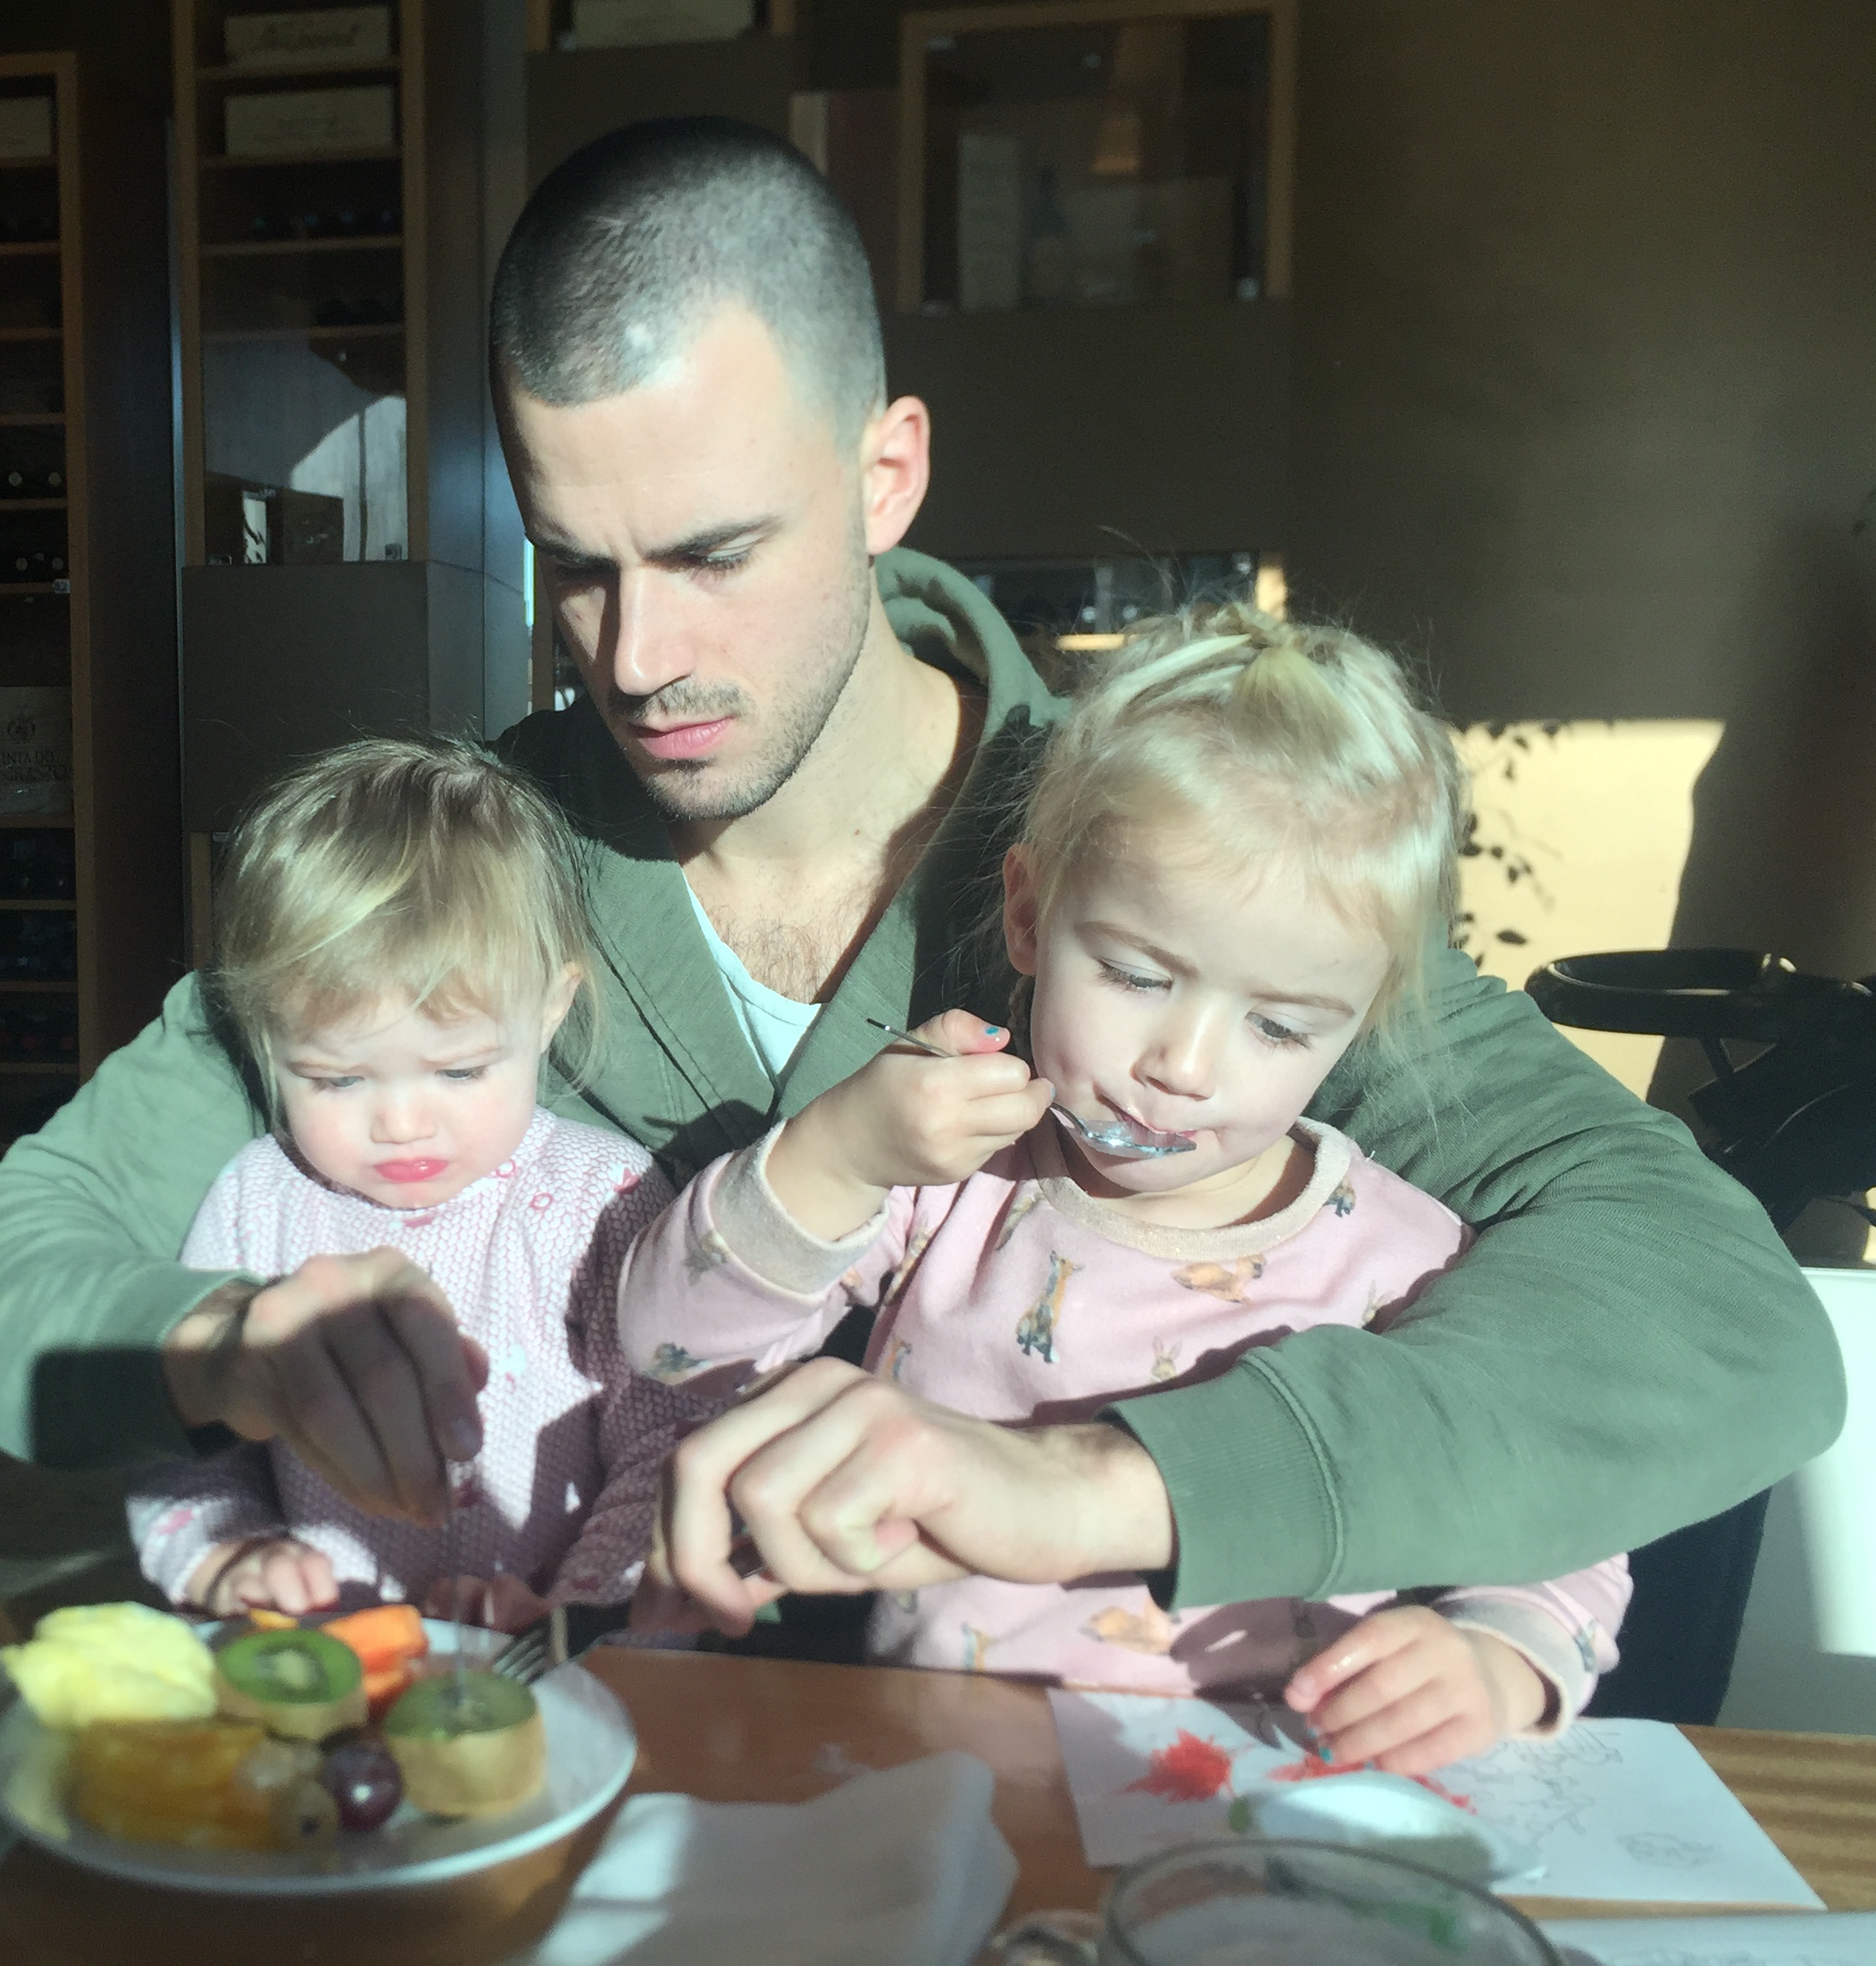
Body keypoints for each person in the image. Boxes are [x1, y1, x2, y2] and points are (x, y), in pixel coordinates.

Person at [0, 116, 1839, 1639]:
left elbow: (1714, 1319)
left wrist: (1114, 1484)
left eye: (714, 553)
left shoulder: (1179, 864)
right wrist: (223, 1349)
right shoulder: (456, 864)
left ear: (886, 471)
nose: (634, 654)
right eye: (575, 566)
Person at [622, 607, 1628, 1771]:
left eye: (1279, 1026)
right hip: (944, 1777)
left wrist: (1498, 1654)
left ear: (1359, 1021)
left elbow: (1568, 1500)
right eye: (1138, 975)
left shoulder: (1408, 1264)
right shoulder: (954, 1184)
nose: (1183, 1069)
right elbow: (666, 1344)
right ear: (1028, 915)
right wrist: (837, 1157)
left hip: (1272, 1795)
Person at [124, 738, 706, 1628]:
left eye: (459, 1070)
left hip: (550, 1663)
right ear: (265, 1032)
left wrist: (576, 1609)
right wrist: (226, 1552)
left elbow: (665, 1442)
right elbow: (181, 1437)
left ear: (551, 1008)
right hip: (321, 1664)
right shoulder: (255, 1200)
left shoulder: (605, 1198)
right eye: (337, 1079)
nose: (400, 1123)